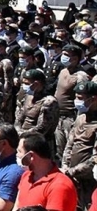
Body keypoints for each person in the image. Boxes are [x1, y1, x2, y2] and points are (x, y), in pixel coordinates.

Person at [14, 132, 77, 211]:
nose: (17, 155)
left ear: (30, 156)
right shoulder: (26, 176)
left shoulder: (60, 186)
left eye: (19, 151)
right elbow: (16, 207)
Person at [61, 82, 97, 211]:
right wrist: (65, 165)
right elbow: (70, 144)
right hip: (71, 177)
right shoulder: (80, 118)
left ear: (93, 99)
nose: (77, 101)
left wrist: (73, 171)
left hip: (88, 180)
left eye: (81, 98)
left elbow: (95, 159)